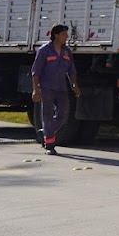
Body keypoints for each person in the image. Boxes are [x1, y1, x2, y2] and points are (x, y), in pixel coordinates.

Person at [31, 24, 80, 155]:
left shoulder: (67, 51)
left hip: (61, 88)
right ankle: (50, 146)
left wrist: (74, 84)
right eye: (64, 34)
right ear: (56, 35)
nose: (66, 37)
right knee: (47, 116)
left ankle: (47, 132)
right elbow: (36, 72)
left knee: (63, 115)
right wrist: (36, 89)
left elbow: (71, 71)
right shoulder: (44, 50)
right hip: (46, 88)